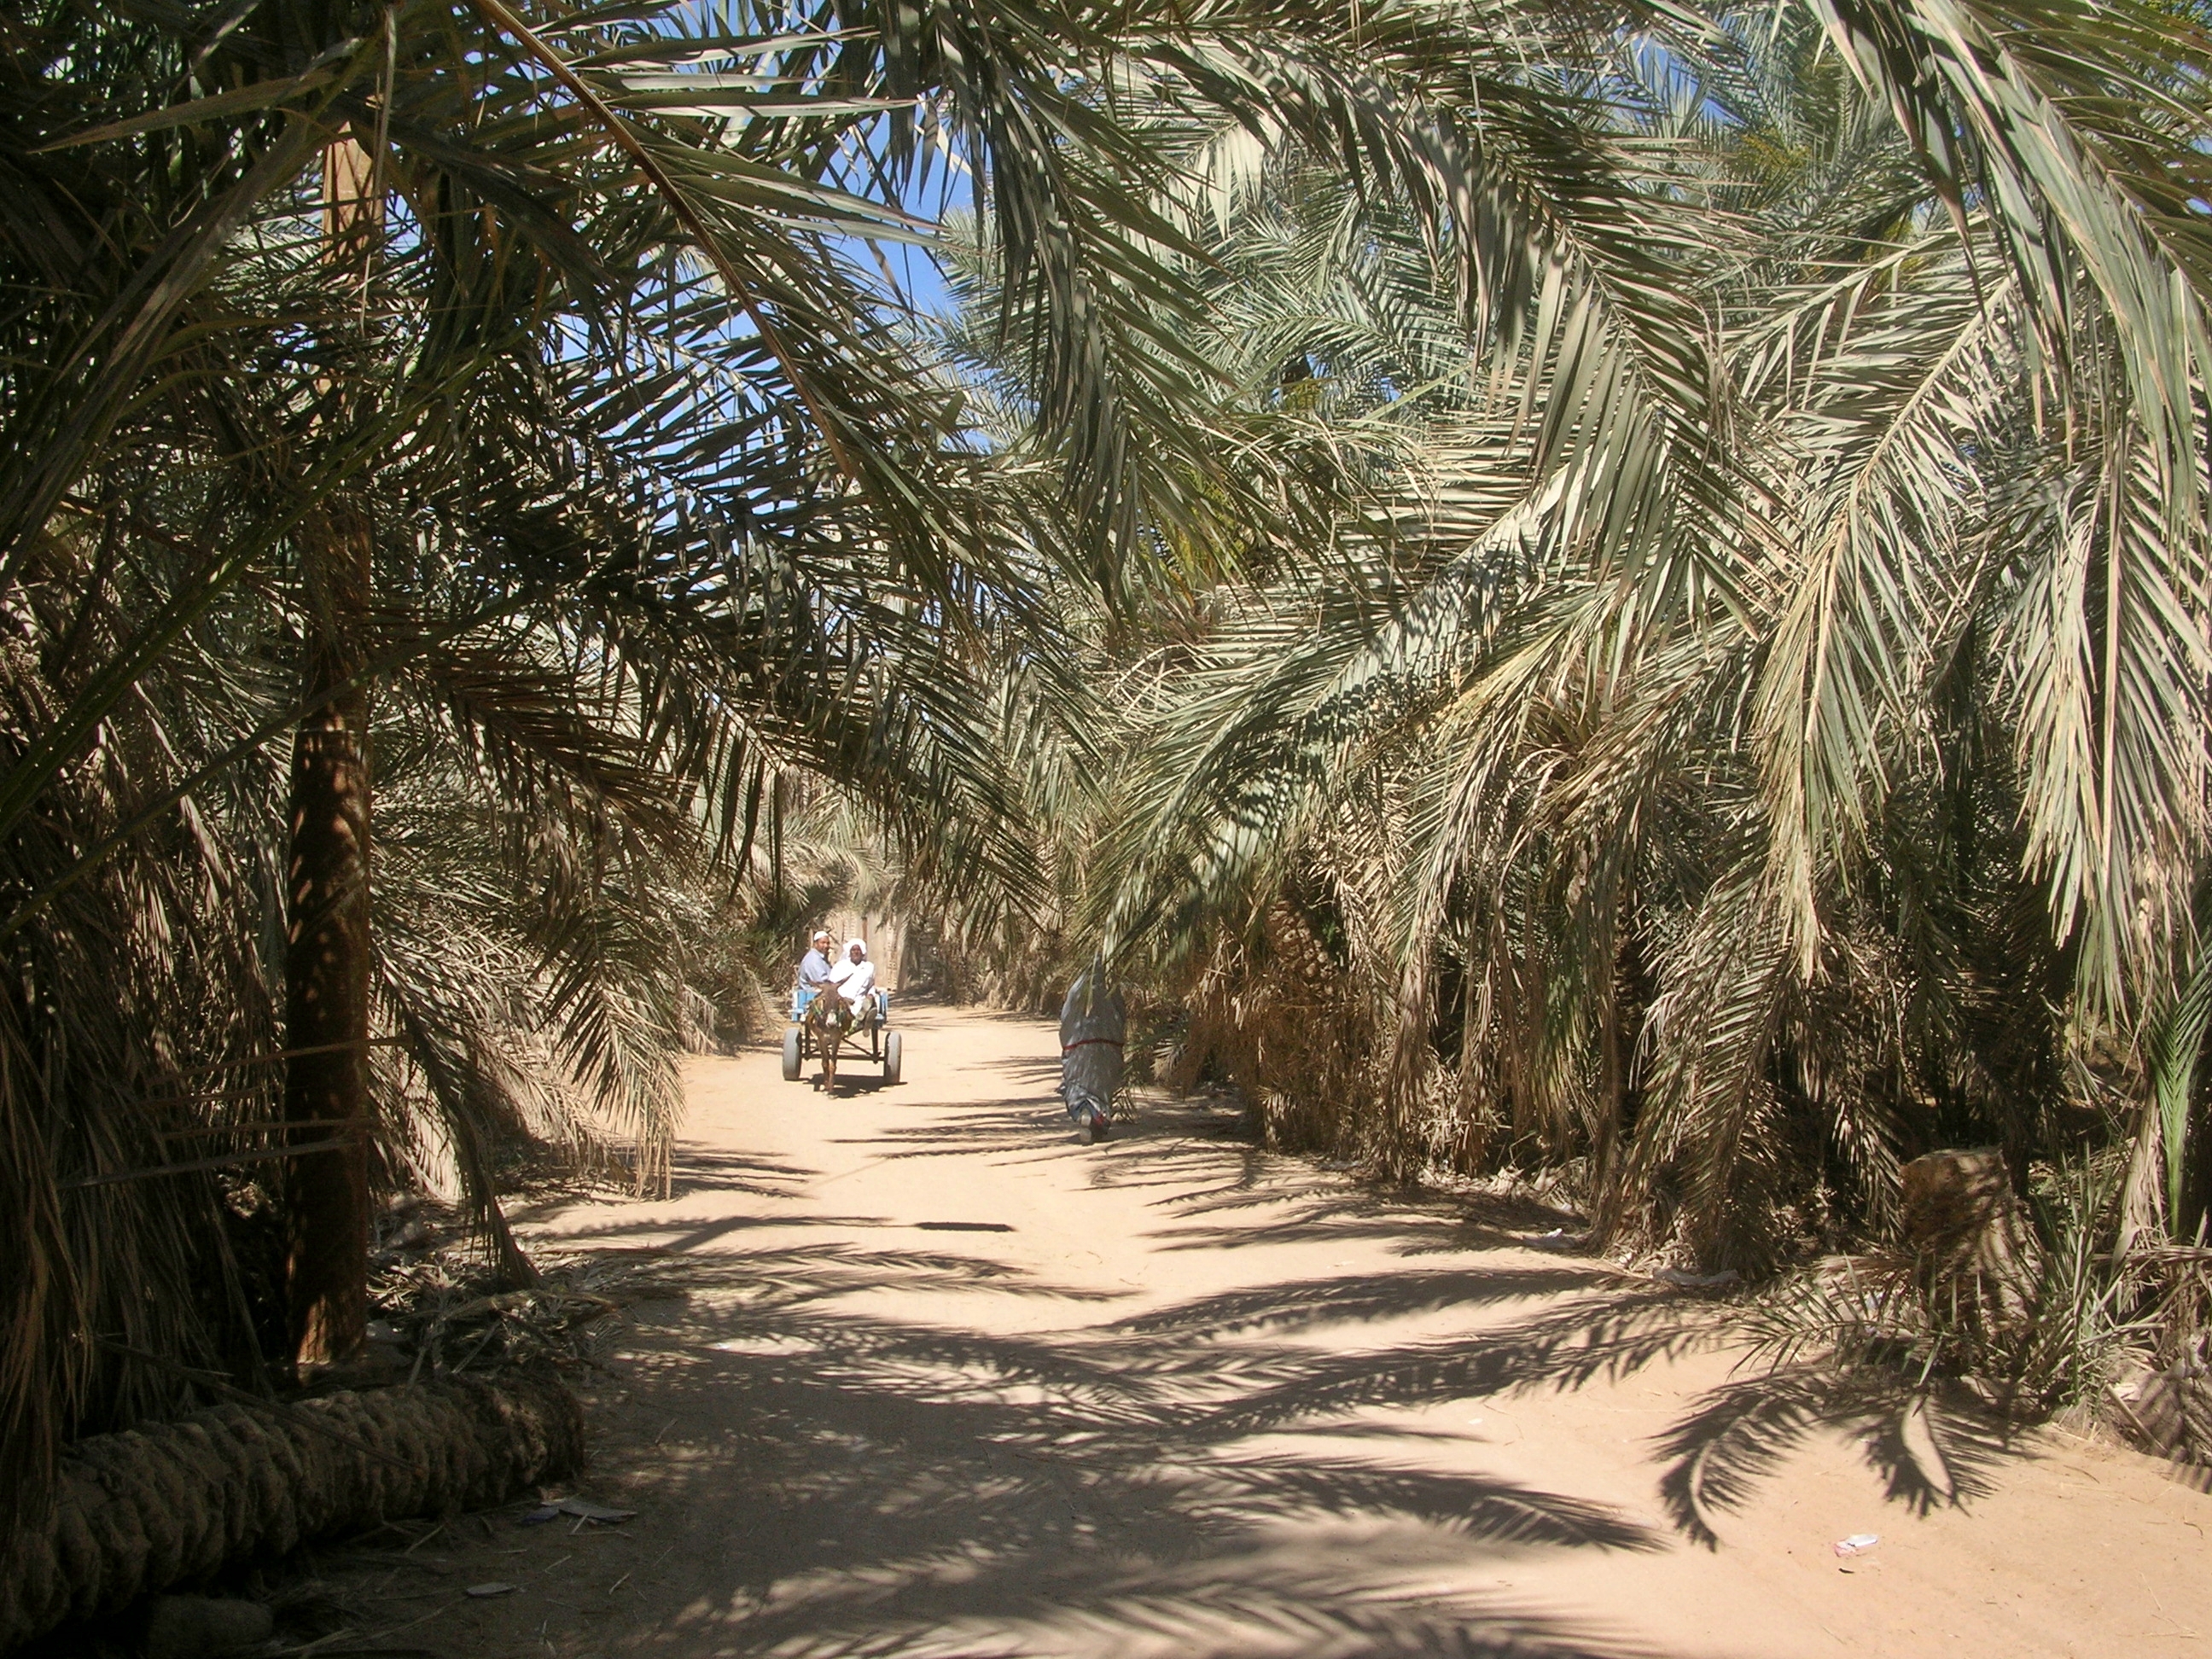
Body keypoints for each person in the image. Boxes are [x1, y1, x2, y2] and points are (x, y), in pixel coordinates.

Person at [1058, 957, 1124, 1144]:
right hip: (1107, 1046)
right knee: (1103, 1087)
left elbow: (1066, 1018)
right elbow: (1121, 1015)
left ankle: (1083, 1110)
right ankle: (1097, 1117)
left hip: (1079, 1047)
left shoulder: (1076, 990)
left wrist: (1069, 1045)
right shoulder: (1112, 989)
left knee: (1077, 1085)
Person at [825, 937, 876, 1018]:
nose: (856, 952)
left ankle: (863, 1018)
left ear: (862, 953)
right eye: (853, 950)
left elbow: (871, 985)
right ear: (850, 952)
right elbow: (831, 986)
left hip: (860, 1000)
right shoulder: (839, 966)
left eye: (858, 950)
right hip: (841, 1001)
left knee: (868, 1004)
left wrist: (870, 994)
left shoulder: (869, 967)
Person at [795, 930, 836, 1013]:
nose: (826, 946)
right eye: (823, 943)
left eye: (828, 943)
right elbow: (822, 982)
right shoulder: (813, 959)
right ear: (815, 944)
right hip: (813, 996)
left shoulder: (821, 958)